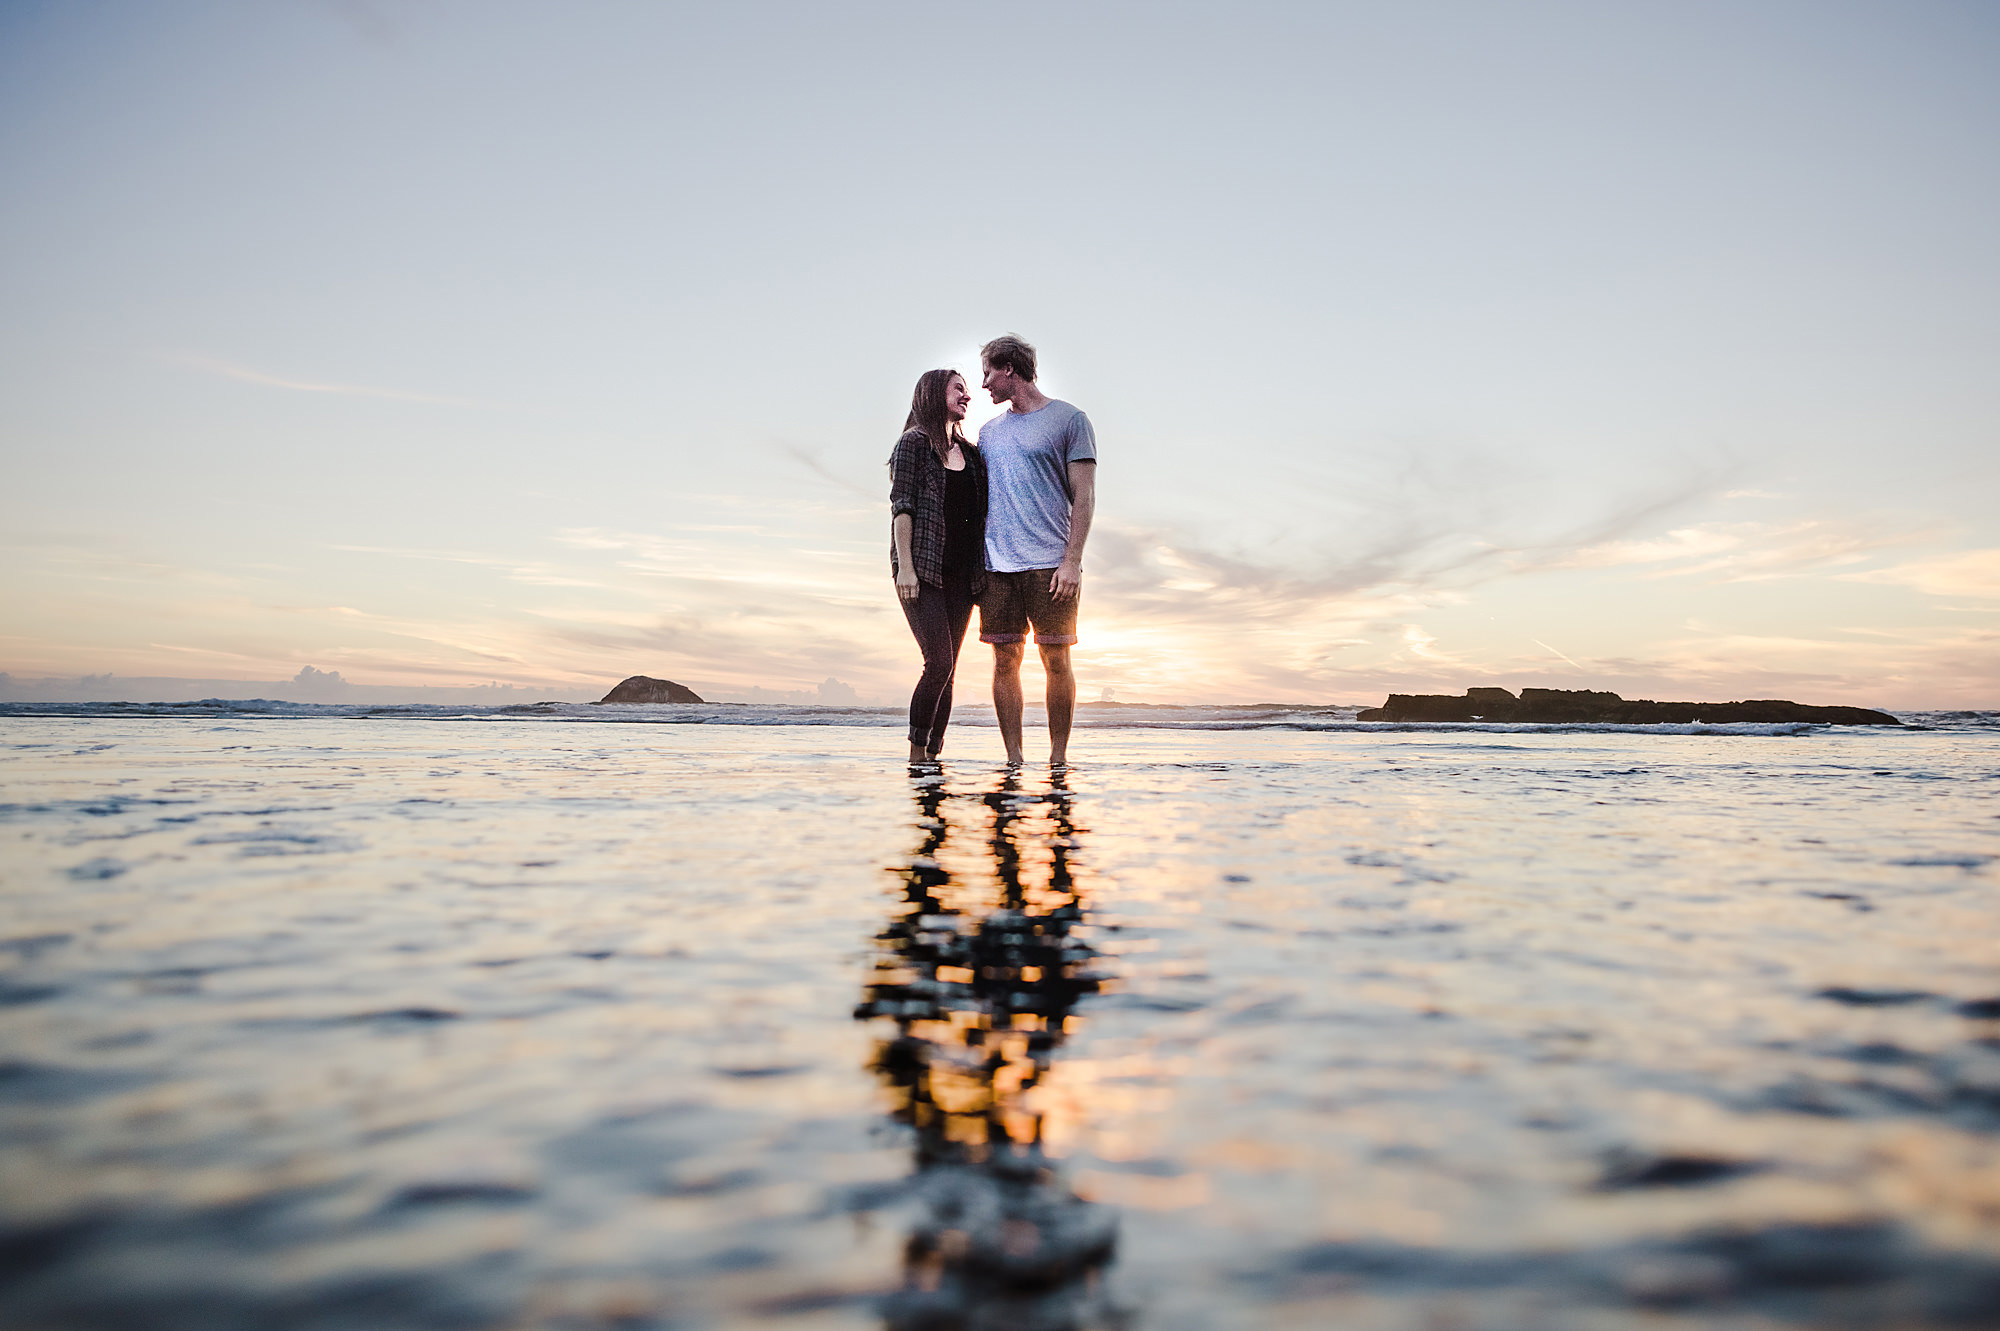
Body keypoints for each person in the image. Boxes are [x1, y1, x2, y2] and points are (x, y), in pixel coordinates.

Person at [975, 334, 1097, 766]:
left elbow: (1084, 496)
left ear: (1009, 368)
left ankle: (1058, 758)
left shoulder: (1069, 420)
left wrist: (1073, 561)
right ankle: (1013, 760)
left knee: (1056, 659)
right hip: (997, 568)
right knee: (1004, 659)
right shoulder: (987, 434)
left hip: (1051, 565)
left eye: (988, 371)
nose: (983, 383)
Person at [890, 368, 987, 763]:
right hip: (924, 570)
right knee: (938, 663)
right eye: (959, 389)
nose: (967, 396)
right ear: (934, 394)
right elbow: (902, 507)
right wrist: (906, 568)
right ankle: (916, 752)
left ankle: (934, 755)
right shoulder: (914, 443)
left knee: (950, 669)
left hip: (963, 575)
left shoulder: (974, 456)